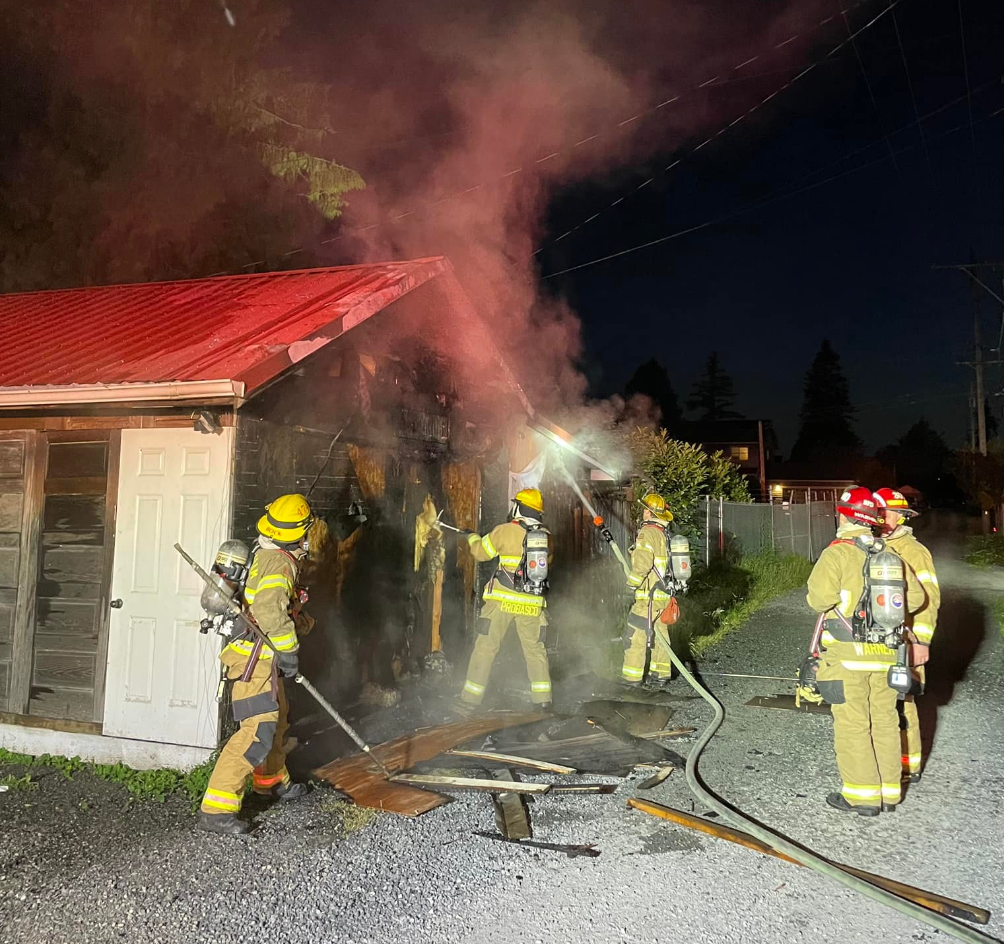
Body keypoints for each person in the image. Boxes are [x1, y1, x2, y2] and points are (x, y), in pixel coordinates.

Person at [199, 493, 313, 836]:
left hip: (262, 658)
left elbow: (276, 607)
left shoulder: (267, 554)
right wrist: (290, 650)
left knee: (277, 721)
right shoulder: (280, 562)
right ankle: (216, 808)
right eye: (306, 531)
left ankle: (271, 780)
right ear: (297, 534)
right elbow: (267, 611)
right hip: (255, 661)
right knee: (257, 729)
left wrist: (302, 624)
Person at [806, 486, 924, 816]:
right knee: (886, 721)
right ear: (872, 519)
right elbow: (915, 599)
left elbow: (818, 600)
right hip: (887, 654)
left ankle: (862, 796)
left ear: (844, 515)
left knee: (854, 724)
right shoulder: (890, 554)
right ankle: (889, 792)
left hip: (848, 656)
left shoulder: (837, 553)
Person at [458, 488, 552, 711]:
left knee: (486, 647)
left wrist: (472, 537)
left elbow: (481, 553)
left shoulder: (505, 530)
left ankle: (469, 701)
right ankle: (543, 702)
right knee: (535, 650)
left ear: (518, 507)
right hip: (532, 604)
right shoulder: (545, 537)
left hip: (501, 602)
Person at [873, 487, 939, 783]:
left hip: (906, 640)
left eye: (891, 513)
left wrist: (921, 641)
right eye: (882, 512)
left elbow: (929, 598)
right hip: (878, 640)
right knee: (881, 703)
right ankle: (886, 762)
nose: (886, 518)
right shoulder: (871, 545)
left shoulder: (913, 551)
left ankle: (908, 764)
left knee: (902, 704)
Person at [621, 492, 676, 690]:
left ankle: (632, 678)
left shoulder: (647, 533)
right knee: (661, 635)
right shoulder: (664, 534)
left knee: (635, 634)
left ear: (648, 512)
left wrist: (631, 585)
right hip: (663, 596)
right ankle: (660, 674)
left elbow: (642, 564)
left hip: (648, 597)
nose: (643, 511)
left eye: (645, 508)